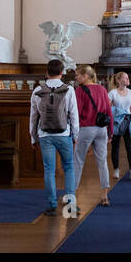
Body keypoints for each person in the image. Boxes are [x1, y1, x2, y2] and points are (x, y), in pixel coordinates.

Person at [30, 59, 80, 217]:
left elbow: (33, 116)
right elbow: (74, 115)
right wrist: (76, 136)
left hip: (45, 135)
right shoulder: (69, 89)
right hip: (64, 134)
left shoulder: (38, 90)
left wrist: (33, 137)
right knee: (69, 168)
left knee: (49, 170)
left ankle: (52, 205)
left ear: (46, 72)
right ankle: (71, 205)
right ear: (62, 72)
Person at [72, 64, 113, 207]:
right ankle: (104, 195)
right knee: (102, 162)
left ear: (85, 76)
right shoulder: (102, 89)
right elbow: (109, 110)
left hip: (86, 128)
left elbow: (76, 112)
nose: (76, 77)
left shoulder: (79, 90)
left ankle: (72, 195)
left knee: (78, 161)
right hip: (102, 129)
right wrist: (110, 131)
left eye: (78, 75)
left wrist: (73, 133)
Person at [109, 71, 131, 180]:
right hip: (117, 123)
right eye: (125, 78)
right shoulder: (112, 93)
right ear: (118, 80)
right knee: (115, 147)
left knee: (130, 147)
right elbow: (109, 109)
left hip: (128, 122)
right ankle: (116, 169)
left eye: (128, 77)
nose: (128, 79)